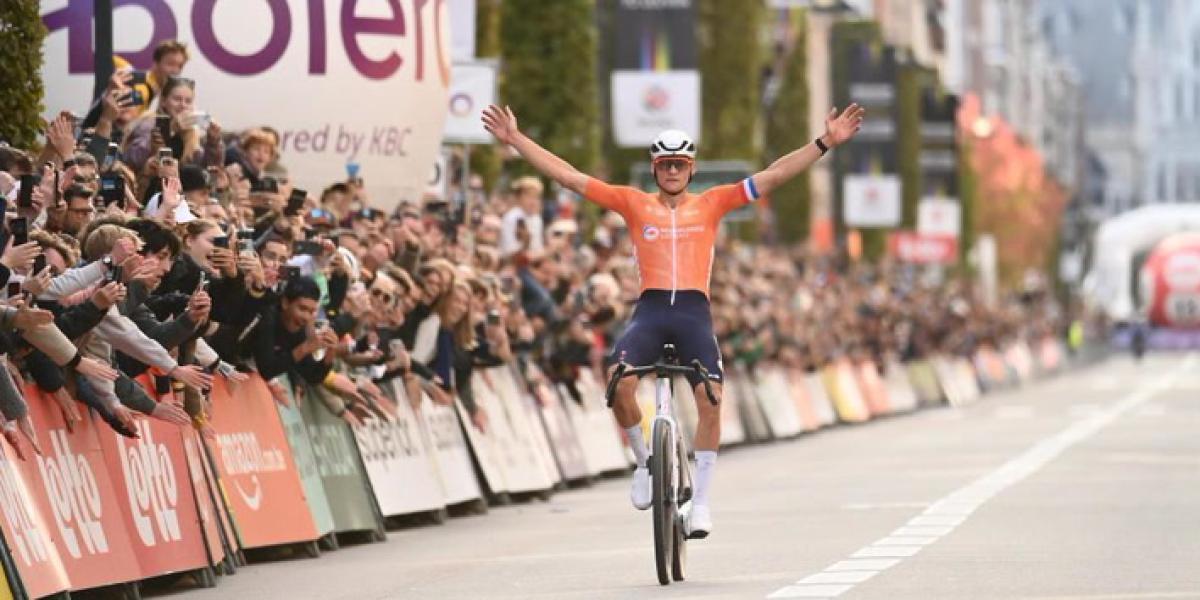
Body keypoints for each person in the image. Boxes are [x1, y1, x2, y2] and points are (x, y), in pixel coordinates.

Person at [482, 101, 865, 538]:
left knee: (711, 399)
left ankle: (700, 503)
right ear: (654, 167)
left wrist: (824, 143)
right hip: (650, 311)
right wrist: (516, 140)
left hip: (693, 314)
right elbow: (569, 177)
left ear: (691, 168)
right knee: (619, 384)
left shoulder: (713, 203)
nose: (671, 171)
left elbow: (774, 175)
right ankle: (644, 463)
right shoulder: (633, 203)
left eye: (679, 164)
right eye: (664, 164)